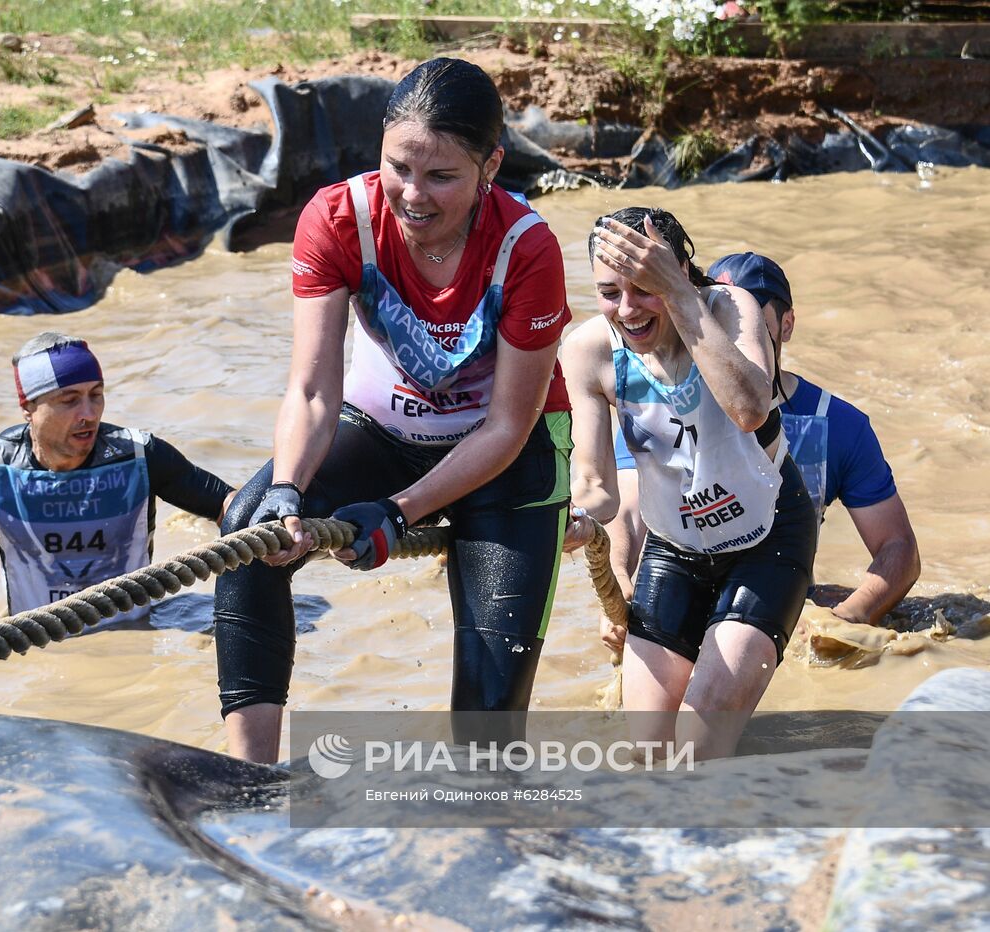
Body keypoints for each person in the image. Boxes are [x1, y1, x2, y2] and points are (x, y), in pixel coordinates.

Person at [213, 58, 574, 764]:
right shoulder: (337, 218)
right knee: (247, 531)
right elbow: (313, 389)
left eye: (442, 177)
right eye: (398, 167)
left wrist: (399, 511)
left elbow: (507, 425)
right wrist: (288, 489)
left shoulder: (527, 247)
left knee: (487, 736)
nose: (413, 195)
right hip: (380, 430)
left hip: (508, 452)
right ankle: (247, 780)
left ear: (491, 166)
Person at [560, 208, 818, 759]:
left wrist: (680, 296)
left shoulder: (728, 308)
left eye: (644, 288)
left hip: (767, 537)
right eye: (609, 293)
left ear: (680, 272)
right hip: (675, 549)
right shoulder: (589, 351)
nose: (627, 310)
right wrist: (572, 520)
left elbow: (749, 408)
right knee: (648, 754)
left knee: (697, 750)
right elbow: (597, 485)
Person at [603, 252, 920, 633]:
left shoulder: (837, 424)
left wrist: (846, 620)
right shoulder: (653, 406)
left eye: (752, 325)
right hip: (681, 601)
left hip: (778, 601)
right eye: (720, 324)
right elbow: (627, 514)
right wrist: (617, 578)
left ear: (786, 326)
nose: (734, 342)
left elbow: (898, 549)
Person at [0, 332, 234, 646]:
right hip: (38, 645)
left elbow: (230, 506)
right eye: (69, 400)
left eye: (96, 395)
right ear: (28, 406)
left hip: (134, 638)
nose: (89, 413)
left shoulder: (141, 456)